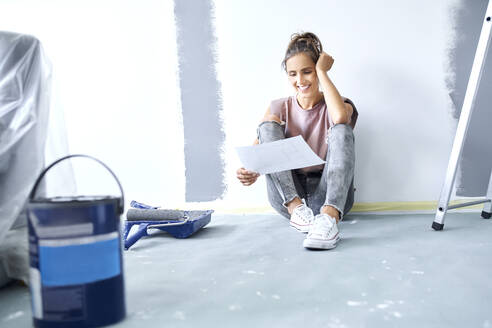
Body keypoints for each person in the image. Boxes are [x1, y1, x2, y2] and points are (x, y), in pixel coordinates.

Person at [236, 32, 358, 250]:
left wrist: (322, 71)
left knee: (341, 129)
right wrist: (249, 172)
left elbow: (340, 119)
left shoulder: (339, 105)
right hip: (290, 200)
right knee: (268, 123)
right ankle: (297, 208)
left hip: (330, 195)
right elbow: (255, 157)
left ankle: (329, 220)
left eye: (307, 72)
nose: (300, 81)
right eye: (293, 74)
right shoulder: (279, 107)